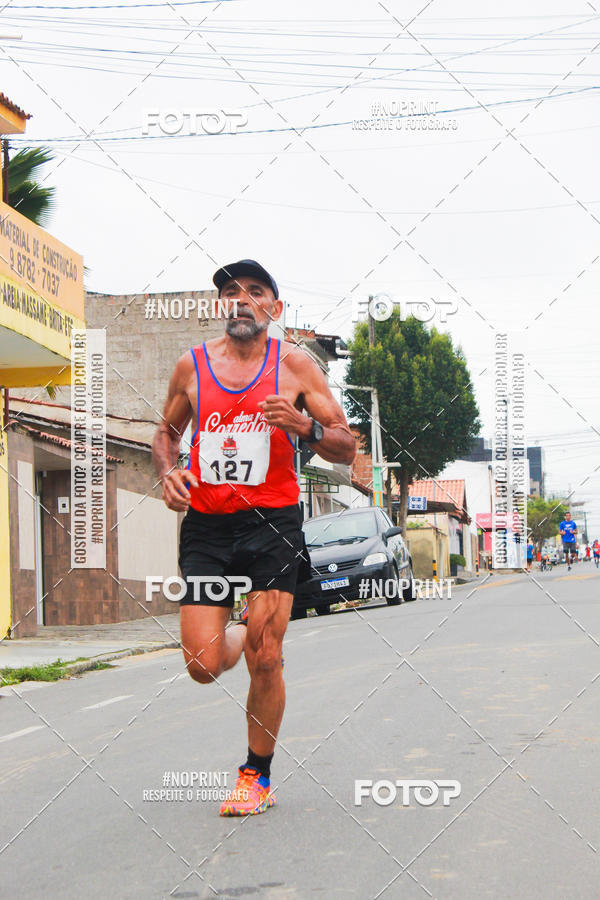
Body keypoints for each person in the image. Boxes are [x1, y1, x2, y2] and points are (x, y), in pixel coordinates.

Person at [153, 259, 356, 817]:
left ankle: (255, 776)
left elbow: (346, 445)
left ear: (275, 307)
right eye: (230, 292)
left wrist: (304, 426)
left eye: (255, 291)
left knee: (267, 656)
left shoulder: (295, 366)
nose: (241, 299)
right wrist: (168, 472)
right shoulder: (192, 366)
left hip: (272, 521)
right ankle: (240, 630)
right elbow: (166, 433)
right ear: (220, 306)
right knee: (201, 664)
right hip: (208, 524)